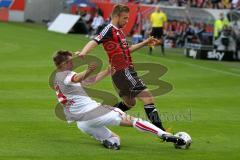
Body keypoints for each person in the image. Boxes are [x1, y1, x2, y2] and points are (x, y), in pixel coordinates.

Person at [52, 50, 185, 150]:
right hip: (93, 112)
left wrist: (106, 71)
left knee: (115, 138)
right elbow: (77, 78)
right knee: (134, 121)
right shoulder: (67, 75)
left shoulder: (57, 79)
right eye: (70, 61)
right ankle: (163, 134)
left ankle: (111, 144)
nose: (73, 62)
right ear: (63, 63)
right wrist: (87, 70)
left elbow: (88, 81)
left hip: (82, 124)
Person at [76, 4, 167, 131]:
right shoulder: (109, 29)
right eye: (124, 18)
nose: (126, 21)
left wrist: (145, 43)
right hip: (123, 71)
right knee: (148, 97)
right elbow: (95, 40)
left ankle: (98, 118)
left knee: (130, 103)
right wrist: (84, 53)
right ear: (116, 16)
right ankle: (163, 132)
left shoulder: (119, 32)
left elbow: (127, 50)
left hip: (121, 72)